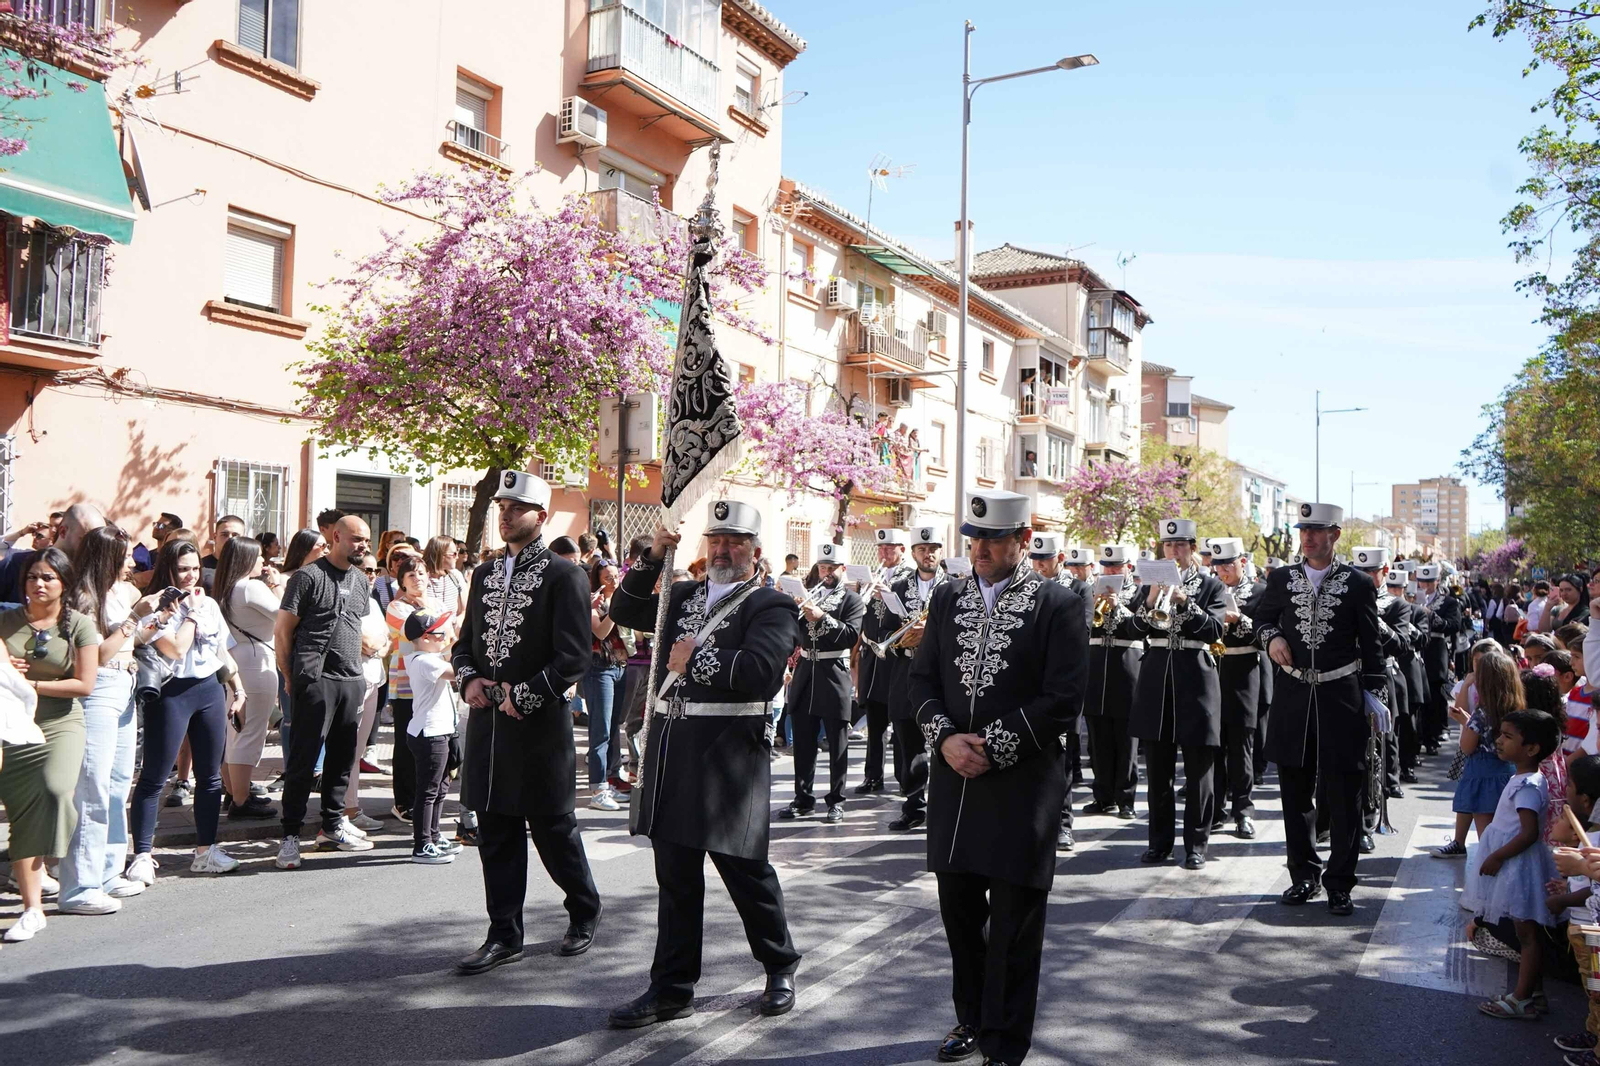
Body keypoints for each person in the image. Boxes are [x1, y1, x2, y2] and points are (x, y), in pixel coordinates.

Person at [607, 499, 802, 1028]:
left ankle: (779, 964)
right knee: (675, 877)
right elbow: (624, 611)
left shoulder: (771, 604)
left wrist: (695, 658)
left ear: (754, 551)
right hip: (672, 752)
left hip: (728, 757)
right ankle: (671, 988)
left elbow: (762, 671)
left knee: (745, 871)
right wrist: (652, 557)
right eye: (716, 540)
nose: (722, 550)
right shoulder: (682, 595)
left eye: (734, 542)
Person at [909, 490, 1088, 1066]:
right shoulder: (948, 597)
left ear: (1023, 541)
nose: (980, 549)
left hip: (1022, 785)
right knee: (959, 914)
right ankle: (971, 1017)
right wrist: (945, 738)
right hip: (955, 783)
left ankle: (1005, 1044)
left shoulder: (1059, 604)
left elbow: (1063, 699)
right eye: (974, 538)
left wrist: (994, 746)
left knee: (1014, 923)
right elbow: (921, 680)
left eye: (993, 539)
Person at [450, 470, 600, 975]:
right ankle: (504, 934)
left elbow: (574, 656)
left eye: (516, 507)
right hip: (489, 726)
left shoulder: (564, 575)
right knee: (495, 832)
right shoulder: (484, 575)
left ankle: (584, 909)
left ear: (541, 515)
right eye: (502, 507)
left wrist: (529, 694)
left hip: (539, 728)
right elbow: (465, 643)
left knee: (554, 830)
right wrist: (468, 679)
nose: (506, 514)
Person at [1247, 502, 1386, 917]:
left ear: (1335, 534)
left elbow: (1372, 643)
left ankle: (1340, 883)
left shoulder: (1357, 583)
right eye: (1303, 530)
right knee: (1295, 793)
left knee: (1344, 794)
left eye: (1317, 530)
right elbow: (1260, 621)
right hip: (1293, 698)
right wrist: (1271, 638)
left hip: (1340, 697)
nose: (1307, 537)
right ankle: (1303, 875)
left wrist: (1374, 693)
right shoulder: (1281, 578)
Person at [126, 540, 246, 883]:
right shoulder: (154, 606)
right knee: (153, 777)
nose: (191, 575)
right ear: (167, 569)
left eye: (195, 568)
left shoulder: (208, 603)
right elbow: (176, 649)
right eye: (182, 569)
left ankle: (205, 851)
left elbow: (221, 650)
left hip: (209, 689)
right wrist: (191, 613)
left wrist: (239, 689)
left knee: (210, 777)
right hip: (171, 692)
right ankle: (142, 855)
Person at [0, 548, 99, 941]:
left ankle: (48, 854)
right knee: (24, 806)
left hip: (60, 720)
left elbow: (85, 684)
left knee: (56, 791)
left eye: (47, 578)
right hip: (14, 722)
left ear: (64, 583)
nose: (38, 584)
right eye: (32, 577)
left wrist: (28, 684)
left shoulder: (79, 625)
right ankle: (32, 908)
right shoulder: (5, 620)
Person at [272, 515, 378, 870]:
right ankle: (290, 835)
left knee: (342, 758)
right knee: (303, 761)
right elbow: (283, 631)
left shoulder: (361, 580)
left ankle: (332, 826)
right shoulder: (308, 577)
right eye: (356, 539)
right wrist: (289, 676)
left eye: (366, 541)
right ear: (335, 536)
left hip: (352, 678)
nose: (362, 546)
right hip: (316, 679)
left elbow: (357, 626)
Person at [58, 527, 151, 914]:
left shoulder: (115, 592)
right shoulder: (84, 596)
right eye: (125, 555)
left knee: (116, 784)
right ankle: (78, 886)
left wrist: (152, 620)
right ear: (107, 557)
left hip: (124, 684)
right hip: (98, 690)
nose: (132, 563)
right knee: (91, 787)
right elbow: (95, 655)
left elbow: (128, 642)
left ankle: (108, 872)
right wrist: (134, 619)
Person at [1128, 517, 1228, 870]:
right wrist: (1150, 599)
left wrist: (1185, 601)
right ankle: (1159, 844)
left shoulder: (1211, 585)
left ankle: (1197, 845)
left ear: (1192, 548)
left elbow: (1215, 630)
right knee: (1158, 772)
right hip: (1157, 681)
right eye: (1168, 545)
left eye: (1180, 545)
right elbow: (1132, 629)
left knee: (1199, 771)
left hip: (1196, 680)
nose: (1173, 550)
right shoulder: (1149, 584)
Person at [1470, 710, 1561, 1020]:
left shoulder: (1529, 786)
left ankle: (1522, 999)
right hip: (1514, 864)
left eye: (1508, 736)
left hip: (1519, 867)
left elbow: (1529, 832)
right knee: (1525, 933)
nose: (1499, 740)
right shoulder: (1522, 778)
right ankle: (1533, 993)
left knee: (1527, 936)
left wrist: (1497, 856)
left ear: (1531, 748)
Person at [780, 542, 864, 825]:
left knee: (837, 743)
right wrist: (792, 610)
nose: (826, 573)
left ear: (842, 569)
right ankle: (803, 799)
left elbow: (850, 636)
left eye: (831, 568)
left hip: (833, 673)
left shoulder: (851, 600)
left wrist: (822, 618)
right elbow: (795, 635)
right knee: (803, 742)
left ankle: (836, 801)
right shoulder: (810, 594)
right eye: (822, 567)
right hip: (806, 672)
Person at [885, 524, 949, 832]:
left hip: (943, 675)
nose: (928, 554)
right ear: (913, 554)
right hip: (906, 671)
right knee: (908, 744)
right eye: (922, 549)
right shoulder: (897, 587)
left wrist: (931, 635)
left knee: (944, 740)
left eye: (933, 549)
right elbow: (883, 630)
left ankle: (945, 805)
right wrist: (900, 640)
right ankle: (913, 806)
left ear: (940, 551)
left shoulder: (956, 587)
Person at [213, 536, 283, 820]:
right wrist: (277, 586)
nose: (263, 562)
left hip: (236, 659)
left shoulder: (227, 587)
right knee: (251, 731)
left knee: (235, 731)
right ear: (245, 560)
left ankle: (234, 793)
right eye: (258, 556)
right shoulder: (250, 587)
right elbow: (285, 615)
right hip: (256, 660)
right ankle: (241, 801)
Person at [1027, 532, 1088, 850]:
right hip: (1030, 683)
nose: (1039, 565)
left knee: (1062, 758)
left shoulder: (1078, 589)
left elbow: (1081, 633)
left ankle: (1064, 824)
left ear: (1060, 559)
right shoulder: (1026, 587)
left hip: (1062, 683)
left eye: (1045, 559)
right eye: (1035, 559)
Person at [1435, 646, 1520, 858]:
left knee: (1487, 839)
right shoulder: (1517, 709)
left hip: (1482, 773)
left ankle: (1488, 871)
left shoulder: (1481, 714)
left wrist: (1467, 722)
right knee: (1504, 831)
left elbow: (1467, 746)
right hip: (1507, 773)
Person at [1082, 543, 1143, 819]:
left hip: (1126, 669)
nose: (1110, 571)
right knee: (1098, 739)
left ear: (1128, 567)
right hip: (1096, 670)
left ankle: (1126, 799)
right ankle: (1103, 795)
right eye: (1106, 567)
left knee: (1126, 740)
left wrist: (1119, 606)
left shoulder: (1140, 592)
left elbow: (1140, 628)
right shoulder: (1090, 590)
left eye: (1115, 566)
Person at [1211, 537, 1266, 839]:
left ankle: (1243, 811)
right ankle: (1216, 809)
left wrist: (1239, 619)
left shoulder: (1259, 592)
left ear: (1242, 563)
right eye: (1218, 566)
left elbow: (1266, 633)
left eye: (1228, 565)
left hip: (1243, 672)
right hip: (1212, 671)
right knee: (1213, 746)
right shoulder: (1210, 589)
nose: (1223, 571)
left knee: (1240, 746)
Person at [855, 527, 913, 796]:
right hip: (871, 656)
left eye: (890, 548)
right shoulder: (871, 575)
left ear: (902, 549)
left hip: (895, 656)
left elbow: (908, 614)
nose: (884, 552)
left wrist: (887, 595)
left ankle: (904, 778)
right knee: (875, 720)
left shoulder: (909, 577)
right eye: (880, 548)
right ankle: (873, 776)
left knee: (900, 720)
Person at [384, 553, 441, 823]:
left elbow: (448, 634)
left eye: (421, 573)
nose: (417, 578)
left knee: (435, 741)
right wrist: (435, 622)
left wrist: (432, 615)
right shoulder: (396, 607)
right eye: (410, 575)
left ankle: (427, 798)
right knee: (406, 743)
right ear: (402, 583)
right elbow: (416, 631)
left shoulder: (437, 603)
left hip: (436, 680)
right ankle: (403, 801)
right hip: (406, 683)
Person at [403, 610, 462, 865]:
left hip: (441, 731)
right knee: (428, 791)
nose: (444, 637)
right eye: (439, 633)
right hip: (430, 733)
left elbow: (447, 653)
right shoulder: (423, 661)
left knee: (440, 788)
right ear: (425, 638)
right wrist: (458, 642)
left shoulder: (429, 656)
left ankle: (434, 836)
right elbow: (456, 672)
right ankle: (422, 844)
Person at [585, 557, 632, 812]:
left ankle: (611, 779)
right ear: (598, 581)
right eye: (608, 577)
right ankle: (598, 789)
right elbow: (600, 632)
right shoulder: (594, 602)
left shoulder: (621, 599)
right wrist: (614, 607)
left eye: (616, 576)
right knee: (600, 731)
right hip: (599, 669)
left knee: (614, 728)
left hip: (620, 667)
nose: (614, 580)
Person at [0, 503, 104, 602]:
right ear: (63, 532)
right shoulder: (17, 564)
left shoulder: (94, 577)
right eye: (85, 540)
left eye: (97, 543)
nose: (92, 548)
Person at [1414, 563, 1465, 754]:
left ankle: (1432, 737)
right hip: (1414, 652)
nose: (1426, 586)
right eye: (1422, 581)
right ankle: (1416, 739)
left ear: (1437, 581)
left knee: (1434, 696)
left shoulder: (1449, 602)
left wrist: (1432, 616)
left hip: (1435, 651)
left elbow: (1454, 625)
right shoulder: (1409, 598)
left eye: (1430, 582)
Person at [423, 535, 467, 617]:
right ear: (440, 555)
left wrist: (458, 621)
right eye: (454, 554)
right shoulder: (419, 577)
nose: (457, 557)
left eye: (458, 552)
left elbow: (464, 611)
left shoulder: (456, 576)